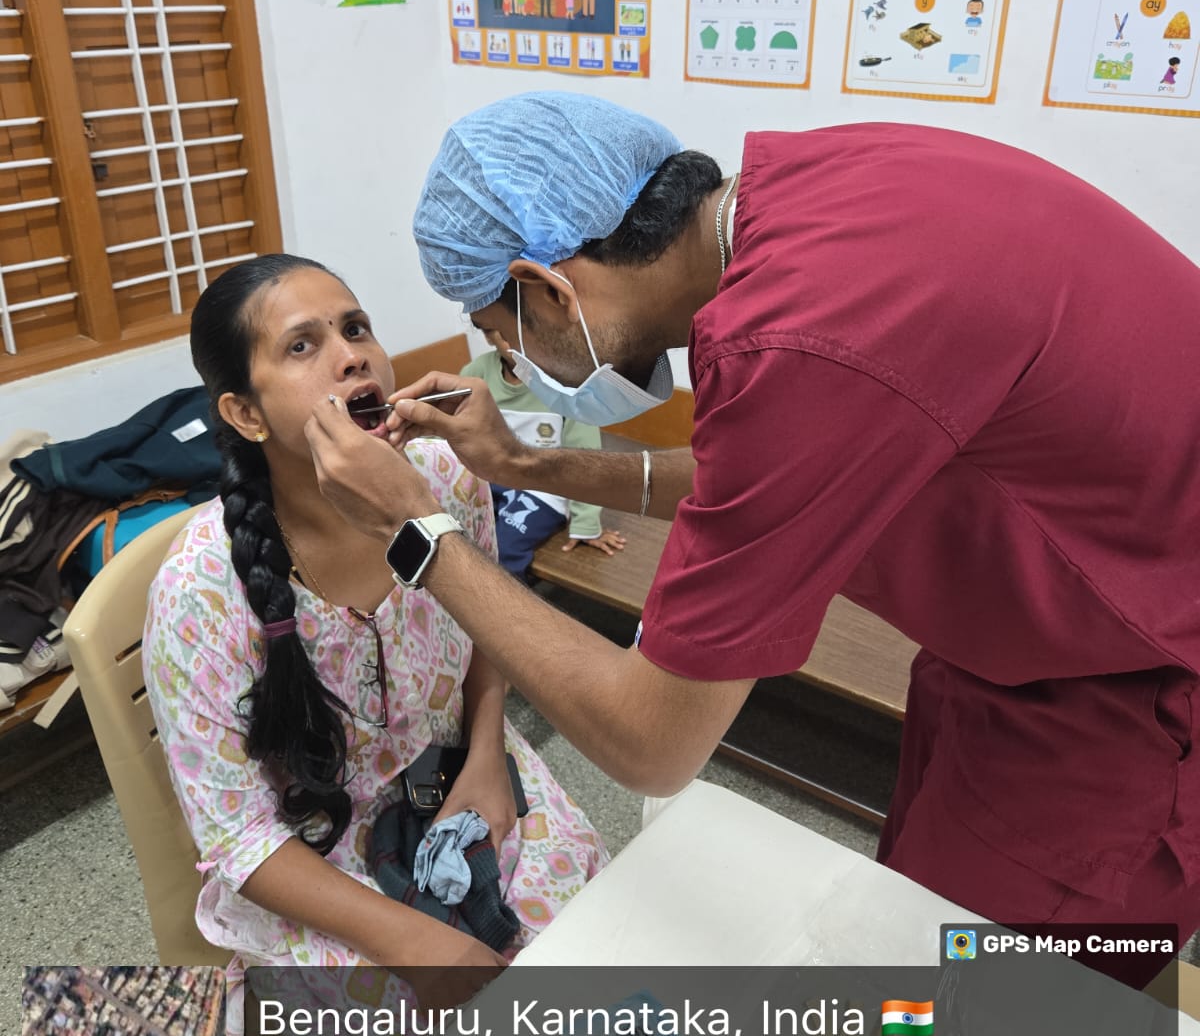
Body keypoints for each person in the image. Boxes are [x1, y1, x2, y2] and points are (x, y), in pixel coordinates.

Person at [303, 94, 1200, 987]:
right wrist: (528, 465)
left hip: (1138, 690)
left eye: (503, 340)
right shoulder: (809, 196)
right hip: (1021, 642)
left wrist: (414, 530)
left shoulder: (797, 338)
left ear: (546, 287)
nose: (508, 367)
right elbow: (771, 474)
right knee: (913, 934)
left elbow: (652, 747)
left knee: (979, 1017)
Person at [144, 253, 607, 1036]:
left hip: (461, 774)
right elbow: (239, 836)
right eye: (302, 345)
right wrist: (410, 939)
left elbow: (490, 628)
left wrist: (488, 758)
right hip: (317, 858)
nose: (351, 353)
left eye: (356, 328)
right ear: (245, 415)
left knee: (595, 945)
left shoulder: (440, 476)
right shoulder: (198, 594)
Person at [462, 324, 626, 575]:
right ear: (486, 334)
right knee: (459, 536)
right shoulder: (477, 373)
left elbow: (585, 458)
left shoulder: (568, 384)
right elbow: (455, 428)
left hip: (543, 490)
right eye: (498, 327)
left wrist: (585, 523)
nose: (511, 338)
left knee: (504, 551)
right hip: (489, 478)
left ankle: (506, 610)